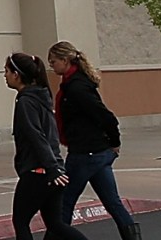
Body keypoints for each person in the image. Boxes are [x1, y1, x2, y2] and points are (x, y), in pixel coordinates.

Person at [48, 40, 141, 240]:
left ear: (65, 60)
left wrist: (115, 142)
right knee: (112, 201)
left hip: (85, 153)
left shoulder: (76, 88)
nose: (51, 66)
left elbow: (105, 116)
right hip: (94, 152)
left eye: (53, 62)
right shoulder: (74, 84)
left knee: (64, 203)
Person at [6, 52, 85, 239]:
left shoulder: (26, 102)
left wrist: (51, 168)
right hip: (54, 169)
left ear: (17, 75)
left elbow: (36, 136)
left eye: (7, 71)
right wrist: (56, 167)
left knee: (21, 221)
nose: (5, 76)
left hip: (39, 172)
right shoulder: (41, 96)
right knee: (55, 224)